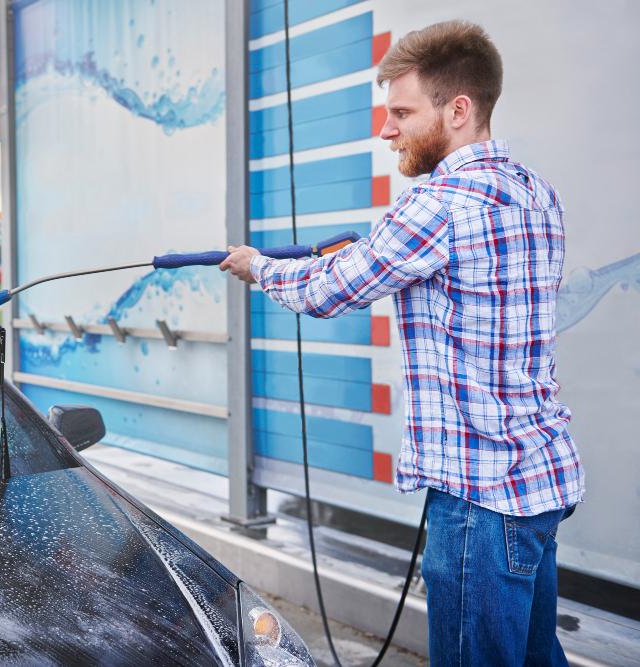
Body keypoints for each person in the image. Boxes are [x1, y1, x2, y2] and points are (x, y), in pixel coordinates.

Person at [221, 20, 584, 667]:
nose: (386, 130)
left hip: (480, 503)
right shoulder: (537, 194)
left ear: (459, 109)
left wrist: (259, 266)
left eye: (401, 112)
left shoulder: (438, 204)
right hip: (538, 487)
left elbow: (331, 288)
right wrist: (365, 252)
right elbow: (406, 267)